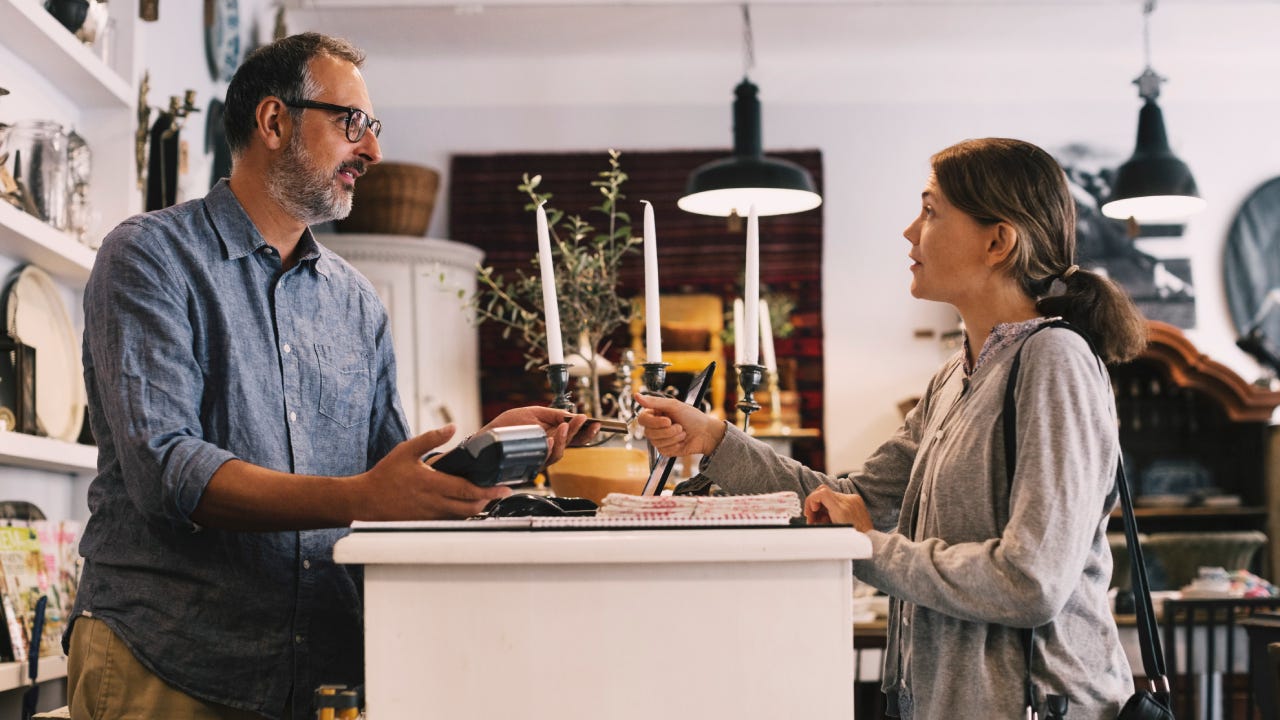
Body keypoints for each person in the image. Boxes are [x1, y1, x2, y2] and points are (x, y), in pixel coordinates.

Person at [66, 32, 588, 720]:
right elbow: (169, 472)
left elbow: (394, 475)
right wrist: (365, 495)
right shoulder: (149, 256)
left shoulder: (357, 302)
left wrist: (488, 452)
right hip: (170, 659)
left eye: (372, 128)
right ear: (275, 122)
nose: (371, 150)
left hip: (320, 671)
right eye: (351, 123)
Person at [637, 138, 1148, 719]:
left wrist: (868, 547)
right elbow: (844, 503)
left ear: (997, 241)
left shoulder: (1055, 361)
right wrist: (713, 438)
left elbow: (1032, 581)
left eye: (931, 211)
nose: (911, 231)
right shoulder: (955, 378)